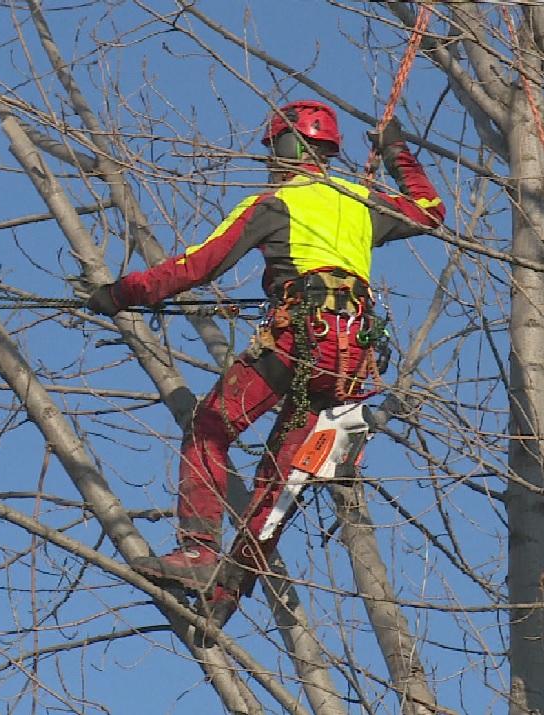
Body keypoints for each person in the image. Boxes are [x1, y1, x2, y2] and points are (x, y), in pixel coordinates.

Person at [86, 100, 446, 590]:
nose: (270, 163)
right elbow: (430, 212)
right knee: (280, 472)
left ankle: (198, 551)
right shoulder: (362, 201)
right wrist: (396, 152)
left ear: (286, 147)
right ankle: (233, 582)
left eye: (274, 150)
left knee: (208, 427)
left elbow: (197, 266)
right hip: (349, 360)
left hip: (299, 339)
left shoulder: (274, 204)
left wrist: (121, 293)